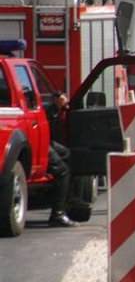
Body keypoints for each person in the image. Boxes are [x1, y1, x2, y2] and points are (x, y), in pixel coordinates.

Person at [45, 92, 76, 227]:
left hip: (48, 143)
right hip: (43, 144)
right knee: (63, 172)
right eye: (63, 99)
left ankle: (68, 201)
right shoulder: (48, 111)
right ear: (56, 99)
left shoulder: (58, 110)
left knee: (67, 154)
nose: (66, 101)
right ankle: (57, 214)